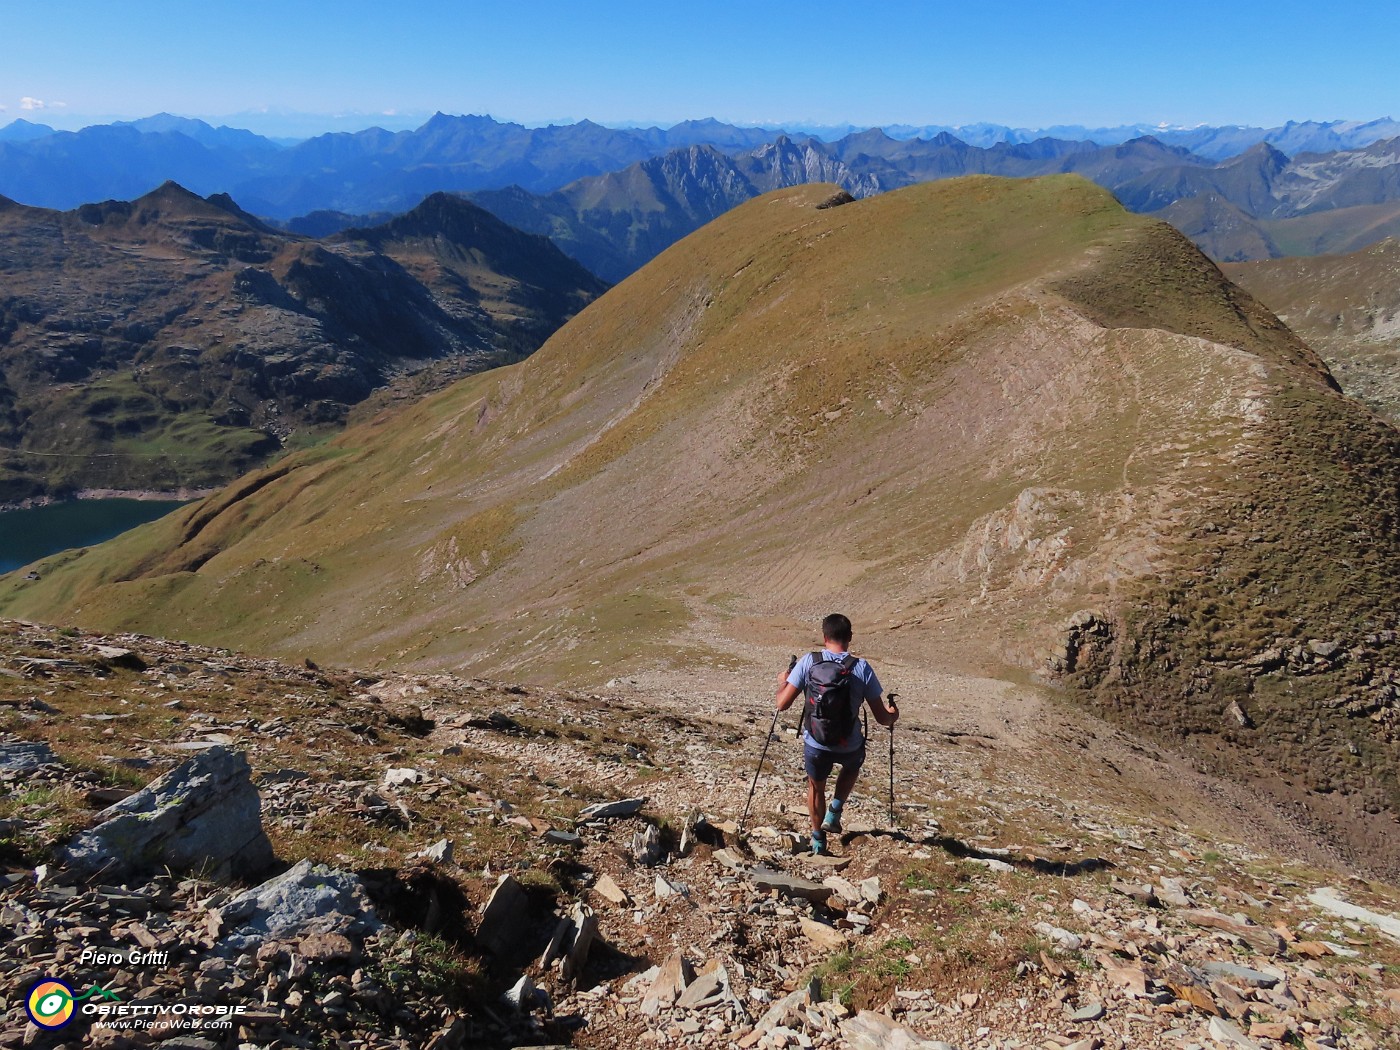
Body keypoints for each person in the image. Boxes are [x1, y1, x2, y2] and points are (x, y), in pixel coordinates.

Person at [775, 613, 898, 855]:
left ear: (824, 637)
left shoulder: (809, 661)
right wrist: (894, 713)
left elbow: (782, 704)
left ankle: (818, 837)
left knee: (816, 787)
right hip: (849, 743)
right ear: (849, 638)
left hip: (816, 742)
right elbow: (883, 718)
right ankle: (835, 810)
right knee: (852, 766)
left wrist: (783, 681)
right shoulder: (862, 667)